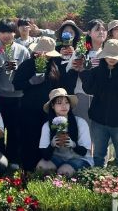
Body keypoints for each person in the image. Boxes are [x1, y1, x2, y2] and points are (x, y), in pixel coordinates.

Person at [12, 36, 73, 171]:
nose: (46, 56)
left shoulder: (53, 65)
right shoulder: (27, 65)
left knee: (45, 138)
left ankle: (44, 168)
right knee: (29, 139)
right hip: (29, 109)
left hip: (47, 110)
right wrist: (31, 82)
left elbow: (57, 86)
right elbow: (16, 84)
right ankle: (28, 169)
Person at [79, 39, 118, 168]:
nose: (112, 59)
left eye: (116, 56)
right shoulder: (96, 72)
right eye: (109, 55)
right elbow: (89, 90)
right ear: (103, 55)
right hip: (99, 120)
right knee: (98, 156)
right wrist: (85, 73)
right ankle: (98, 179)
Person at [0, 18, 30, 168]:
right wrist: (1, 67)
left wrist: (18, 69)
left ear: (14, 33)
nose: (6, 35)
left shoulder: (23, 50)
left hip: (17, 96)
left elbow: (28, 73)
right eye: (3, 32)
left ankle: (14, 159)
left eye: (9, 32)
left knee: (14, 129)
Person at [36, 88, 92, 175]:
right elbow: (45, 155)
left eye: (66, 102)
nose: (64, 106)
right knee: (42, 167)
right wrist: (52, 145)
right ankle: (50, 182)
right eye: (59, 103)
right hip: (57, 158)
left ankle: (65, 180)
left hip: (79, 158)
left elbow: (84, 152)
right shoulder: (47, 125)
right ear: (52, 106)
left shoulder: (80, 122)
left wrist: (73, 145)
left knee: (64, 171)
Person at [66, 19, 107, 124]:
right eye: (97, 30)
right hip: (83, 96)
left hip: (103, 97)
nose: (101, 32)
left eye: (104, 29)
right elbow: (68, 70)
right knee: (83, 127)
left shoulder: (108, 51)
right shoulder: (82, 51)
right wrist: (75, 68)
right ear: (89, 32)